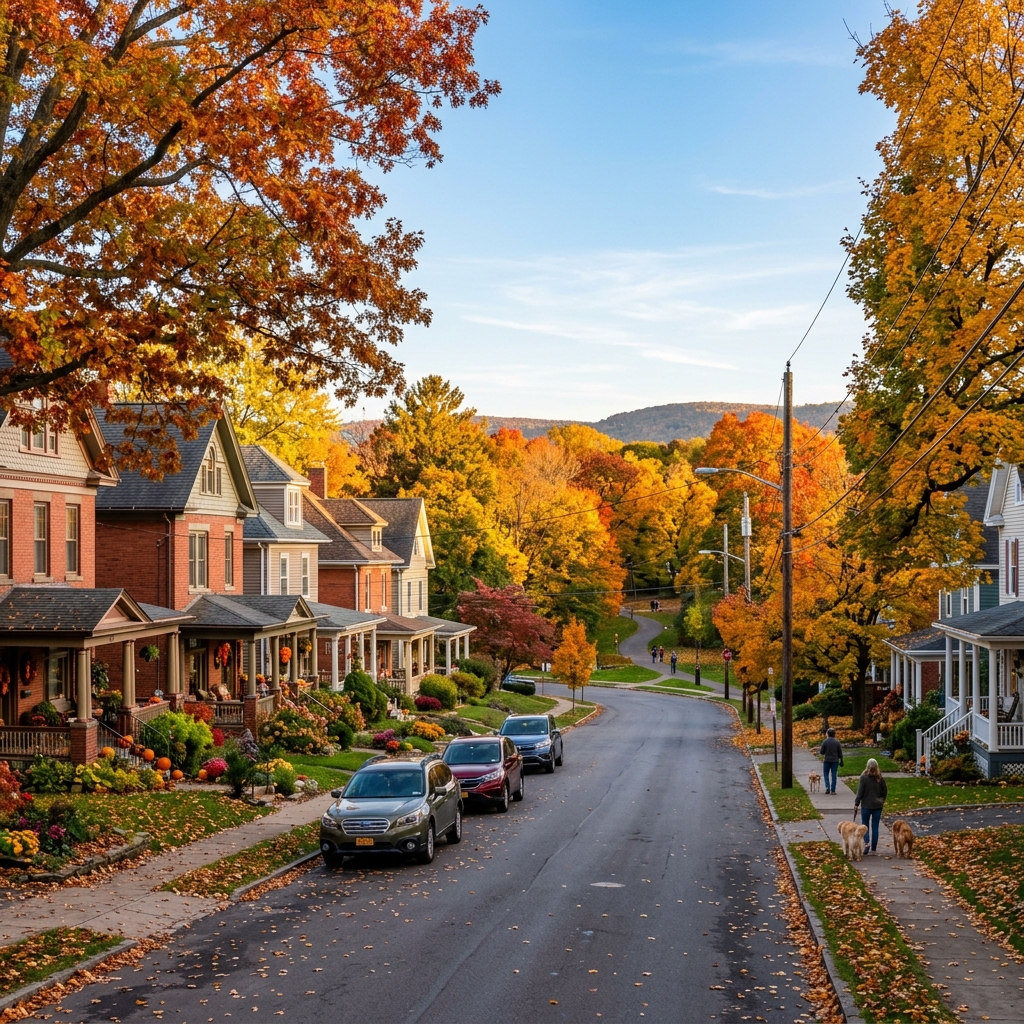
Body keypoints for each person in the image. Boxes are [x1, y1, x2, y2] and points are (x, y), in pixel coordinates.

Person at [853, 757, 888, 856]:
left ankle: (867, 843)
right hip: (877, 806)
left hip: (866, 806)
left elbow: (860, 792)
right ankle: (873, 849)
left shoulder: (864, 777)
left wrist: (856, 803)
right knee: (875, 826)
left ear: (867, 766)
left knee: (865, 826)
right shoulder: (880, 778)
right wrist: (882, 800)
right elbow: (885, 791)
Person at [819, 727, 844, 794]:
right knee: (834, 774)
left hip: (827, 760)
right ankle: (833, 790)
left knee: (826, 774)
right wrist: (841, 759)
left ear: (828, 734)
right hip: (835, 761)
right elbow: (840, 752)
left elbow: (821, 752)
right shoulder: (837, 742)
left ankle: (827, 787)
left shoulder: (825, 741)